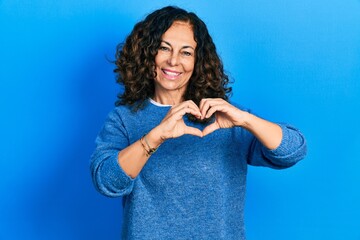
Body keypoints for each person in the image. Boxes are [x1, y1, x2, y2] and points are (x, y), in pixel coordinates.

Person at [90, 5, 307, 239]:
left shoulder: (225, 118)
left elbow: (293, 151)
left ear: (198, 61)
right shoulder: (124, 118)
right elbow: (107, 182)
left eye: (186, 52)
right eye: (164, 48)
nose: (173, 61)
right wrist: (156, 135)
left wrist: (246, 120)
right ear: (147, 53)